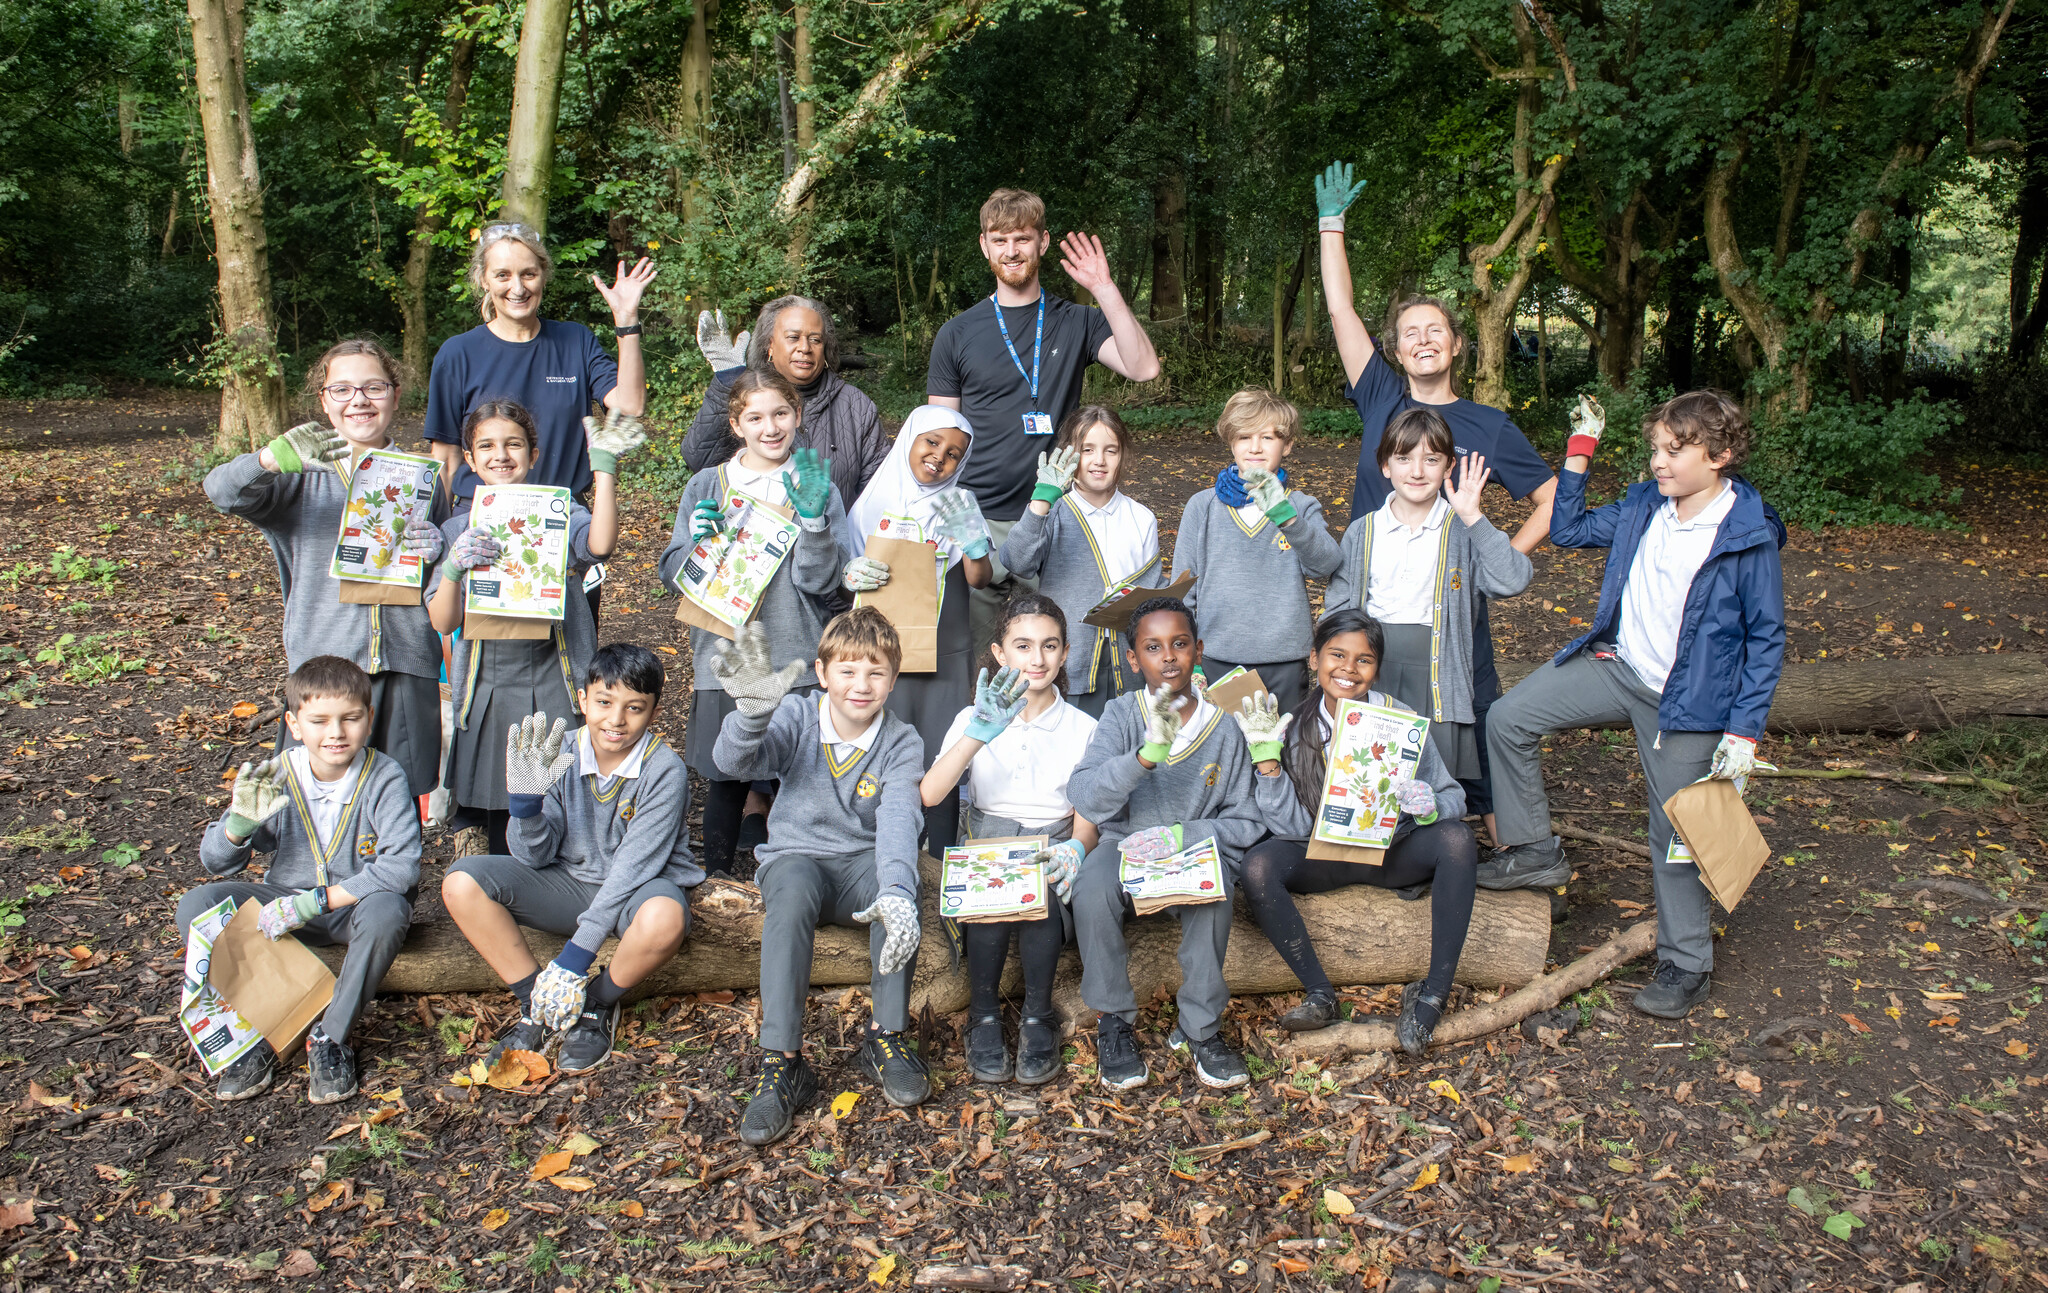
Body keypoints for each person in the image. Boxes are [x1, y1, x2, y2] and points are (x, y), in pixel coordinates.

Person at [1479, 391, 1786, 1020]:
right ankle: (1535, 850)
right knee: (1508, 718)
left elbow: (1766, 639)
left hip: (1691, 702)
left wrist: (1745, 732)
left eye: (1676, 451)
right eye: (1655, 449)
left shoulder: (1748, 533)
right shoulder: (1647, 504)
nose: (1659, 463)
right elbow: (1565, 528)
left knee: (1676, 832)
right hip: (1619, 668)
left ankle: (1687, 962)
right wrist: (1579, 450)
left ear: (1721, 455)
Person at [1316, 161, 1558, 841]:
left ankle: (1489, 848)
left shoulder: (1487, 424)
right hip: (1374, 593)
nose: (1423, 341)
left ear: (1456, 344)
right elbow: (1340, 309)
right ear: (1395, 350)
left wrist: (1498, 554)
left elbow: (1550, 497)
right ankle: (1366, 839)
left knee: (1468, 727)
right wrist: (1331, 226)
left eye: (1436, 332)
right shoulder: (1381, 397)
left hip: (1450, 602)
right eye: (1409, 334)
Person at [710, 612, 931, 1146]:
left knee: (898, 892)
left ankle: (887, 1037)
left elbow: (901, 818)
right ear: (822, 672)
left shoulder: (902, 740)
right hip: (797, 857)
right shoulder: (795, 715)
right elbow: (732, 762)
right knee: (788, 901)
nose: (861, 686)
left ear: (894, 679)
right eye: (848, 671)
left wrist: (899, 892)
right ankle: (782, 1059)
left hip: (861, 861)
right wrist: (750, 717)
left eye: (876, 673)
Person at [204, 337, 446, 798]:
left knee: (397, 796)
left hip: (407, 661)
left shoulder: (422, 478)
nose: (359, 399)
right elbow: (221, 492)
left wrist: (440, 550)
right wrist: (270, 458)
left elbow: (437, 583)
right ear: (324, 400)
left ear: (395, 395)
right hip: (326, 666)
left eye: (374, 387)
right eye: (343, 390)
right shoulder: (297, 476)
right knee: (317, 801)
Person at [440, 644, 699, 1074]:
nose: (616, 720)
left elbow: (635, 867)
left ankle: (596, 1003)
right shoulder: (558, 751)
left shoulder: (665, 770)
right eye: (604, 702)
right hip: (568, 883)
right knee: (461, 881)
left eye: (634, 708)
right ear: (583, 699)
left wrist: (575, 960)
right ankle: (536, 1001)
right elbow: (534, 855)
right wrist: (524, 806)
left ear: (653, 712)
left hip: (635, 892)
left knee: (665, 918)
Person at [179, 656, 422, 1104]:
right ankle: (261, 1034)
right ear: (293, 724)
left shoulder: (384, 776)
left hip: (351, 905)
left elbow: (401, 868)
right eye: (319, 721)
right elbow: (216, 863)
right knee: (197, 905)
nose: (336, 733)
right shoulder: (277, 775)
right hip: (283, 904)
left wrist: (318, 900)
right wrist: (238, 824)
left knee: (391, 908)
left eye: (350, 718)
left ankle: (331, 1038)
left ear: (369, 719)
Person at [1234, 611, 1480, 1052]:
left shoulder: (1399, 719)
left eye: (1364, 660)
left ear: (1377, 669)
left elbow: (1454, 798)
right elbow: (1287, 828)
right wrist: (1269, 765)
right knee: (1256, 866)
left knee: (1458, 840)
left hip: (1391, 853)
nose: (1348, 669)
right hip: (1321, 856)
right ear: (1314, 659)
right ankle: (1320, 994)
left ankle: (1433, 995)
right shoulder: (1290, 728)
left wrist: (1429, 804)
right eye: (1337, 655)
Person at [927, 188, 1161, 650]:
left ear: (1043, 242)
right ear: (984, 246)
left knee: (1055, 656)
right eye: (1000, 240)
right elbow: (940, 439)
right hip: (982, 520)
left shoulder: (1077, 320)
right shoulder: (957, 333)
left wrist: (1104, 288)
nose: (1011, 251)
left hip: (1058, 514)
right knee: (984, 660)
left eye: (1022, 238)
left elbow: (1143, 368)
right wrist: (948, 523)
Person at [1064, 596, 1264, 1092]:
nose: (1168, 656)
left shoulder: (1225, 726)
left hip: (1192, 848)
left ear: (1198, 649)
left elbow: (1246, 818)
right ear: (1134, 659)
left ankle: (1201, 1029)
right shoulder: (1119, 714)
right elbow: (1085, 793)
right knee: (1091, 888)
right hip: (1127, 844)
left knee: (1215, 892)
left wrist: (1185, 835)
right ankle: (1113, 1019)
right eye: (1153, 647)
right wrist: (1145, 757)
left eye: (1179, 644)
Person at [429, 399, 643, 856]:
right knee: (496, 802)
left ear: (534, 453)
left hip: (555, 675)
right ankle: (499, 886)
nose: (500, 454)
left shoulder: (560, 510)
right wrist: (452, 569)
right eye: (486, 446)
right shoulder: (456, 528)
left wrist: (602, 468)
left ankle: (563, 882)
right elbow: (442, 621)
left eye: (514, 444)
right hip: (488, 681)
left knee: (561, 791)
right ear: (469, 458)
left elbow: (600, 545)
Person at [661, 370, 852, 877]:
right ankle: (716, 880)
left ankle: (802, 869)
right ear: (736, 424)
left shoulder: (816, 486)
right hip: (725, 653)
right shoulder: (707, 484)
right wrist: (694, 545)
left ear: (798, 416)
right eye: (755, 417)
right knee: (727, 771)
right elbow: (673, 575)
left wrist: (814, 523)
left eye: (781, 414)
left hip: (796, 652)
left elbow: (821, 583)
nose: (770, 427)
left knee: (799, 767)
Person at [919, 594, 1099, 1084]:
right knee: (991, 902)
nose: (1036, 659)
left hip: (1050, 844)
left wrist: (1076, 847)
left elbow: (1090, 813)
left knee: (1038, 894)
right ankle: (983, 1016)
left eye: (1049, 646)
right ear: (1000, 653)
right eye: (1022, 645)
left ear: (1064, 654)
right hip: (985, 844)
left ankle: (1038, 1016)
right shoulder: (971, 718)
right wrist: (981, 731)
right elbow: (931, 794)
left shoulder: (1084, 728)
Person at [1323, 408, 1533, 802]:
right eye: (1404, 458)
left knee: (1429, 789)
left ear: (1448, 466)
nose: (1417, 471)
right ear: (1385, 465)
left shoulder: (1463, 530)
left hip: (1437, 676)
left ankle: (1430, 856)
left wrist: (1474, 516)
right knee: (1370, 780)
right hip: (1376, 668)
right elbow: (1337, 608)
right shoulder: (1364, 530)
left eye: (1431, 459)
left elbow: (1512, 580)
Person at [843, 405, 994, 852]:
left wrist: (974, 545)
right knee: (881, 743)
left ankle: (941, 853)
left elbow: (978, 578)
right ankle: (877, 847)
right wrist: (849, 572)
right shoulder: (875, 499)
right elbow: (845, 569)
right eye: (931, 442)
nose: (939, 457)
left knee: (939, 748)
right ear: (909, 437)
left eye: (953, 453)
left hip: (943, 643)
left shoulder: (961, 502)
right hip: (878, 644)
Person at [424, 224, 655, 506]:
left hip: (561, 513)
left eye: (528, 274)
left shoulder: (575, 340)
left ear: (543, 275)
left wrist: (626, 319)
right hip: (479, 519)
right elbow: (446, 459)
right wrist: (434, 534)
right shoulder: (457, 353)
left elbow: (630, 405)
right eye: (503, 275)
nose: (518, 288)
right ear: (484, 279)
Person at [1168, 389, 1343, 716]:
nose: (1255, 447)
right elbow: (1183, 590)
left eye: (1268, 437)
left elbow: (1327, 564)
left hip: (1284, 661)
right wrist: (1186, 653)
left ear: (1287, 445)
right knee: (1224, 756)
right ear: (1232, 443)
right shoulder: (1202, 507)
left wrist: (1287, 518)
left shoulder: (1300, 506)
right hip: (1218, 657)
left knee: (1282, 753)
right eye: (1245, 436)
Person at [997, 405, 1162, 718]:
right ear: (1069, 455)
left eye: (1110, 450)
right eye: (1087, 450)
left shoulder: (1142, 518)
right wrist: (1041, 502)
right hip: (1070, 666)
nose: (1099, 461)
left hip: (1128, 668)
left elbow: (1153, 590)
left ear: (1122, 456)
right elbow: (1016, 561)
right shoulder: (1052, 510)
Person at [682, 297, 890, 508]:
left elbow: (878, 490)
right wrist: (727, 381)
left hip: (829, 537)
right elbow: (699, 459)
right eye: (793, 337)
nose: (805, 348)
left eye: (815, 339)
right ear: (770, 345)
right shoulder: (746, 396)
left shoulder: (856, 405)